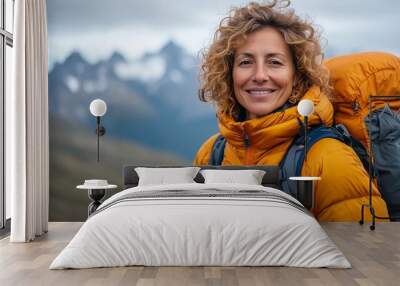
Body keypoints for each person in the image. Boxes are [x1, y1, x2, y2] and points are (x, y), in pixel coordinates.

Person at [193, 0, 389, 221]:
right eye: (246, 62)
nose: (259, 75)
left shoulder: (327, 158)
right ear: (229, 73)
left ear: (297, 75)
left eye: (274, 62)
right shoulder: (211, 153)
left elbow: (362, 249)